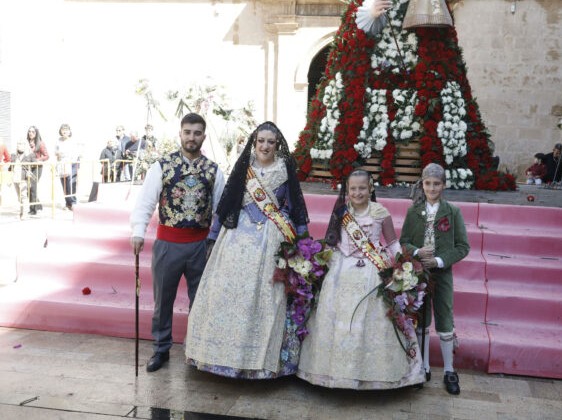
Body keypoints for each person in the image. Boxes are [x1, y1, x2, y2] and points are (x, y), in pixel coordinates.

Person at [185, 121, 309, 379]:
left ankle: (261, 362)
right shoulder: (245, 168)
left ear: (277, 145)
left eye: (270, 142)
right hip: (236, 238)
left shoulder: (285, 169)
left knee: (265, 295)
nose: (265, 146)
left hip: (272, 239)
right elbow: (227, 201)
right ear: (255, 142)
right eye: (261, 141)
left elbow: (296, 206)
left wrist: (301, 242)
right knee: (228, 292)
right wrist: (213, 236)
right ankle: (220, 357)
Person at [297, 169, 424, 389]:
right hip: (342, 267)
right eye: (353, 189)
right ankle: (330, 373)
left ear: (370, 188)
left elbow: (392, 243)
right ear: (347, 190)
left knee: (372, 317)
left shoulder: (380, 212)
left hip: (372, 270)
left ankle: (373, 375)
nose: (358, 192)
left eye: (362, 188)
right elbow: (330, 243)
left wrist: (402, 268)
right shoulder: (341, 213)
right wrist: (317, 266)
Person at [130, 113, 225, 372]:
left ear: (203, 136)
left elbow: (220, 209)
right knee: (163, 300)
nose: (191, 137)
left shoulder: (214, 170)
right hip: (168, 243)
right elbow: (146, 201)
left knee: (200, 300)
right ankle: (161, 349)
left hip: (200, 246)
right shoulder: (161, 166)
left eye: (196, 133)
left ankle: (196, 350)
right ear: (180, 134)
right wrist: (138, 231)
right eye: (187, 132)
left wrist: (216, 242)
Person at [399, 163, 470, 395]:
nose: (432, 188)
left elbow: (462, 247)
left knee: (445, 318)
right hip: (419, 274)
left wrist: (439, 260)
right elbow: (403, 242)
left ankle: (449, 370)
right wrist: (418, 252)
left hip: (442, 275)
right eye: (428, 183)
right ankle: (424, 366)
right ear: (422, 184)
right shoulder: (413, 211)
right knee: (422, 319)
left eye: (436, 184)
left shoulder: (453, 212)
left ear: (444, 185)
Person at [55, 124, 79, 211]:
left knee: (71, 184)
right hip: (61, 163)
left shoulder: (72, 141)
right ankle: (67, 203)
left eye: (66, 130)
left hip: (71, 163)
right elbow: (56, 152)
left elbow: (75, 154)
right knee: (64, 185)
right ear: (60, 131)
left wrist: (67, 158)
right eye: (63, 129)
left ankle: (73, 203)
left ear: (69, 131)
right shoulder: (58, 141)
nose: (65, 131)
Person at [26, 126, 49, 214]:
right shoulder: (26, 142)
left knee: (33, 187)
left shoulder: (40, 143)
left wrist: (39, 160)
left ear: (36, 133)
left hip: (37, 168)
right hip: (28, 168)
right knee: (27, 188)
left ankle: (33, 209)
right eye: (29, 131)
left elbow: (47, 156)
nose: (31, 133)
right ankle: (38, 205)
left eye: (33, 132)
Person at [9, 142, 35, 219]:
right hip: (15, 178)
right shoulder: (13, 155)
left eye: (21, 145)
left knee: (24, 196)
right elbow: (10, 167)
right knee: (19, 197)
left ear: (24, 147)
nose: (19, 147)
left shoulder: (29, 155)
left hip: (23, 178)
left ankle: (25, 213)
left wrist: (30, 166)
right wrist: (9, 178)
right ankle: (21, 212)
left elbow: (35, 162)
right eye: (18, 145)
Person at [0, 141, 10, 207]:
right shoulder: (2, 144)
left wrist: (2, 165)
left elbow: (8, 159)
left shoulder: (2, 145)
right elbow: (8, 159)